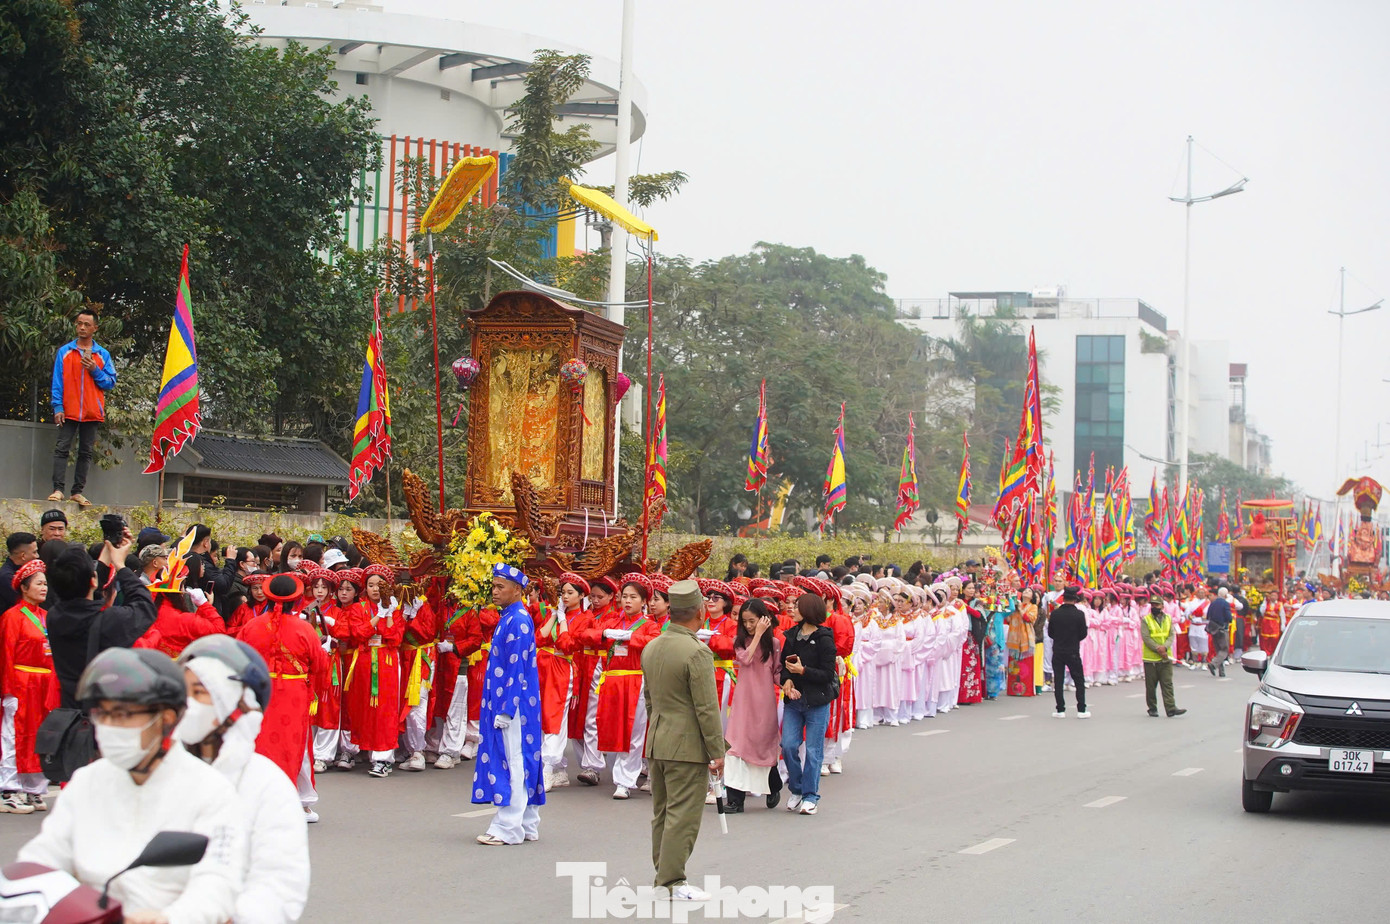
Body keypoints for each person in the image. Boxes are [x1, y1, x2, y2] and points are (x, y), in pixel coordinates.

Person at [18, 647, 244, 920]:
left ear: (166, 718)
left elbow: (218, 881)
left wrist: (170, 918)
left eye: (124, 714)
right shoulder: (87, 782)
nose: (110, 725)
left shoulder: (210, 790)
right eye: (104, 714)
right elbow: (43, 857)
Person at [176, 635, 311, 922]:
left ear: (234, 703)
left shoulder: (267, 785)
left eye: (200, 693)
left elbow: (280, 884)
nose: (187, 705)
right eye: (182, 693)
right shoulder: (161, 774)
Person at [640, 579, 725, 901]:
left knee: (662, 813)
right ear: (700, 611)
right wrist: (717, 751)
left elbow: (649, 699)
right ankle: (671, 881)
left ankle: (663, 874)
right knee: (682, 816)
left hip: (658, 739)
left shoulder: (652, 646)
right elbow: (706, 708)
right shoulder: (697, 652)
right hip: (687, 746)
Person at [236, 573, 329, 819]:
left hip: (260, 693)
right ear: (295, 598)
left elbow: (237, 658)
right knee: (297, 746)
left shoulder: (251, 626)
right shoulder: (304, 628)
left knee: (261, 744)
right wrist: (323, 650)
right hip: (294, 694)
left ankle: (258, 800)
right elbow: (320, 665)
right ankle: (301, 802)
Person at [473, 563, 545, 847]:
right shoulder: (510, 617)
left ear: (517, 590)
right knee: (522, 757)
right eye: (493, 586)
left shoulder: (518, 620)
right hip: (513, 702)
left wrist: (506, 708)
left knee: (513, 760)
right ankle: (527, 823)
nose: (495, 592)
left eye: (500, 587)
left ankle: (507, 827)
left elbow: (516, 669)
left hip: (514, 706)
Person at [47, 535, 158, 709]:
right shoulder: (108, 620)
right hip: (103, 714)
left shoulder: (54, 616)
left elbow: (87, 595)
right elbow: (145, 606)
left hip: (70, 711)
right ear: (93, 580)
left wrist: (107, 554)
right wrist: (121, 565)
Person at [0, 560, 55, 812]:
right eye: (39, 583)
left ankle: (34, 788)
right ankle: (9, 789)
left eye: (45, 583)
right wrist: (7, 690)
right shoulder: (12, 617)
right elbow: (6, 654)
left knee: (40, 736)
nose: (44, 588)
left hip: (44, 682)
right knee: (14, 734)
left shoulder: (47, 616)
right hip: (21, 682)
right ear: (24, 587)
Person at [50, 307, 119, 508]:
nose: (82, 327)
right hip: (68, 409)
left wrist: (94, 369)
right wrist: (57, 406)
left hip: (91, 411)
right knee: (61, 449)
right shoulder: (65, 352)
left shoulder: (102, 354)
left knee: (85, 452)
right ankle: (57, 489)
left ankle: (77, 492)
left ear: (94, 328)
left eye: (86, 324)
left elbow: (110, 382)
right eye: (79, 323)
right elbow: (57, 382)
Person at [780, 593, 838, 815]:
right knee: (788, 745)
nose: (792, 609)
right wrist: (786, 680)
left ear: (808, 611)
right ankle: (796, 788)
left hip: (817, 701)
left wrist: (803, 671)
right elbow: (784, 666)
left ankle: (810, 795)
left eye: (797, 606)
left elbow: (827, 673)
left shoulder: (824, 638)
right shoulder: (792, 635)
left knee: (813, 751)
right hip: (794, 700)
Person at [722, 598, 782, 812]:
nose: (748, 625)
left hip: (764, 702)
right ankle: (735, 800)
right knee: (734, 747)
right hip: (743, 702)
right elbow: (745, 660)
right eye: (745, 621)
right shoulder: (739, 642)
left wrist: (790, 684)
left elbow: (777, 673)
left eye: (752, 621)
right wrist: (757, 635)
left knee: (762, 745)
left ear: (763, 619)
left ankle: (773, 784)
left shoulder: (774, 644)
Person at [1047, 586, 1090, 719]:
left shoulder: (1055, 613)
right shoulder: (1079, 614)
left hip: (1058, 650)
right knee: (1078, 680)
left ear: (1064, 598)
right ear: (1075, 599)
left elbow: (1050, 633)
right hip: (1073, 650)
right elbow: (1083, 633)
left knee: (1059, 680)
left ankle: (1060, 710)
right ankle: (1081, 709)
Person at [1142, 596, 1186, 718]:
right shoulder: (1146, 620)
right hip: (1151, 658)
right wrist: (1158, 648)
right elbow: (1146, 637)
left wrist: (1165, 647)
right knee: (1151, 686)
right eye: (1153, 605)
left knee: (1167, 684)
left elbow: (1171, 635)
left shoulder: (1168, 618)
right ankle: (1152, 707)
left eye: (1157, 605)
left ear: (1162, 606)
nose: (1154, 607)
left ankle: (1171, 707)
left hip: (1165, 657)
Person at [0, 533, 39, 613]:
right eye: (34, 552)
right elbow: (23, 604)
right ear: (23, 556)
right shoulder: (7, 577)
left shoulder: (25, 570)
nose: (37, 556)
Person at [1206, 587, 1233, 678]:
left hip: (1213, 628)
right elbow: (1229, 617)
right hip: (1222, 628)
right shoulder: (1225, 604)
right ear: (1225, 595)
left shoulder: (1213, 603)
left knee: (1218, 649)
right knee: (1224, 649)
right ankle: (1213, 664)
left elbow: (1208, 615)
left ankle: (1221, 671)